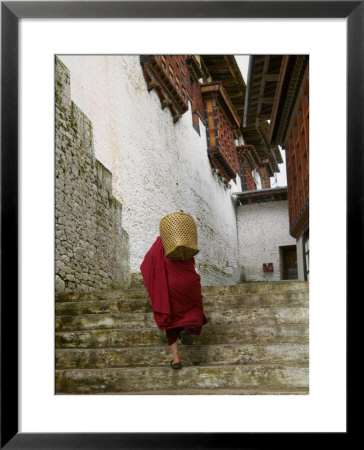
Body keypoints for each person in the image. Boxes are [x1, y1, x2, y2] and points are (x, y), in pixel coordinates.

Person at [140, 236, 207, 369]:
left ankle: (176, 359)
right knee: (192, 309)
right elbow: (191, 260)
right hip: (188, 282)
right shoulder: (184, 241)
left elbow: (146, 265)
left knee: (170, 320)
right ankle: (187, 329)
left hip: (169, 286)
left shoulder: (160, 242)